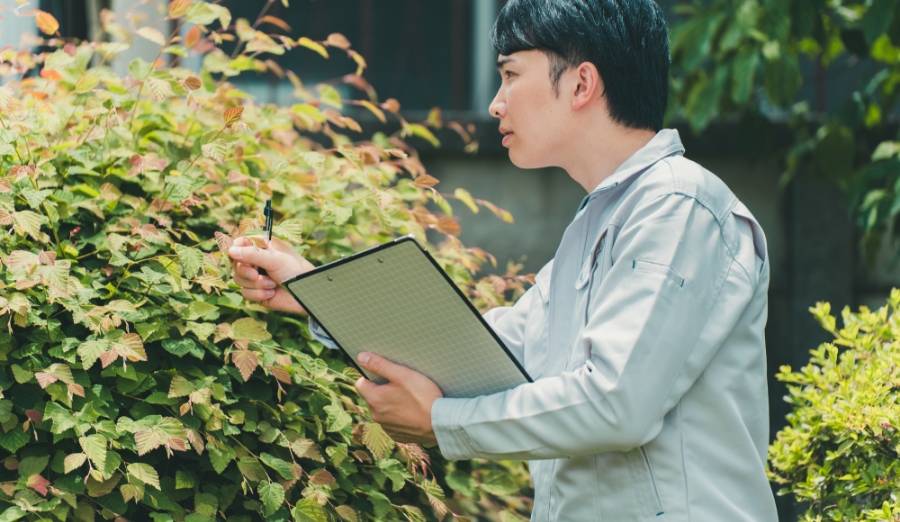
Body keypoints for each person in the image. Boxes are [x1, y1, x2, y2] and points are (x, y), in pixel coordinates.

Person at [228, 0, 779, 520]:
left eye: (511, 74)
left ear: (582, 83)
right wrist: (310, 289)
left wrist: (441, 422)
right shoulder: (599, 224)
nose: (495, 103)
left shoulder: (678, 204)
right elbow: (480, 352)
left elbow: (616, 403)